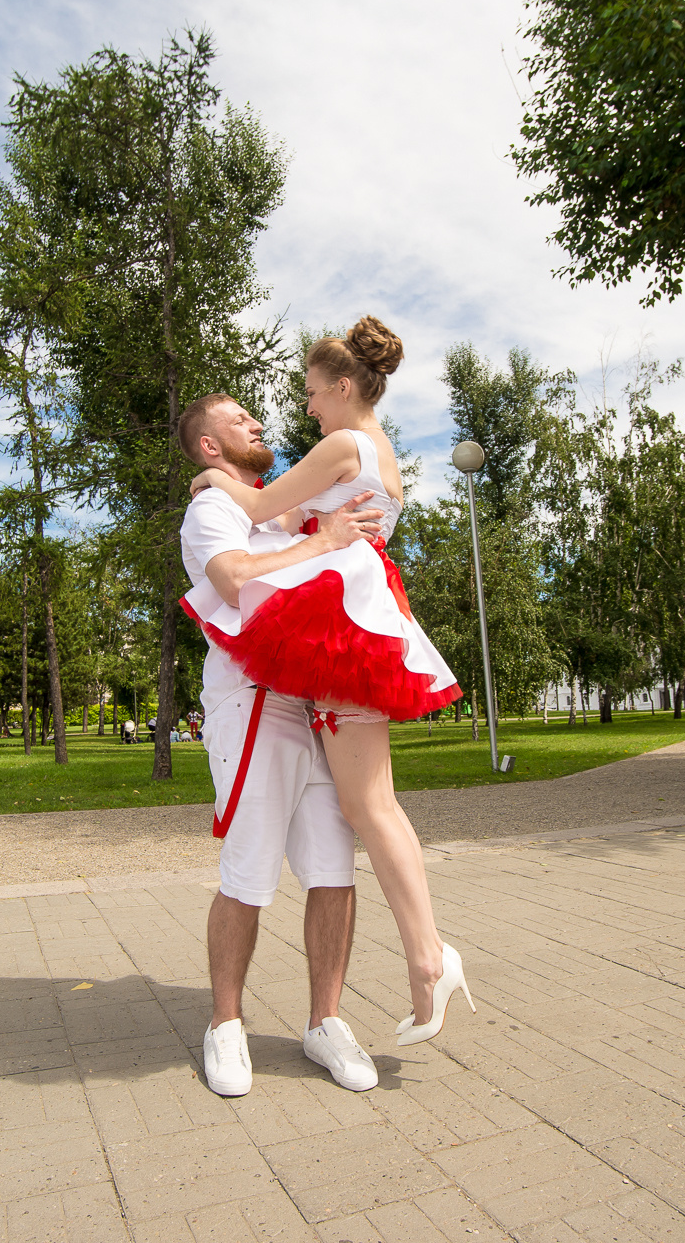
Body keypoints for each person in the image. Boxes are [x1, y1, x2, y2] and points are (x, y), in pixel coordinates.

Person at [181, 317, 473, 1046]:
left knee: (369, 806)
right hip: (364, 618)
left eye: (313, 391)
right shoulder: (383, 452)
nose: (306, 405)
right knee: (368, 805)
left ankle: (430, 959)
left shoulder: (344, 445)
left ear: (343, 387)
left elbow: (255, 507)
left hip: (343, 629)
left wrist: (216, 476)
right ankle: (425, 962)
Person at [180, 411, 390, 1097]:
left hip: (317, 702)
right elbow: (238, 579)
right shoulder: (212, 510)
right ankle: (225, 1024)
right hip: (252, 702)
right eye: (237, 419)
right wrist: (319, 542)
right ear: (209, 445)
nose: (256, 419)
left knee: (334, 870)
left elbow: (357, 499)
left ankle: (325, 1022)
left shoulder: (275, 506)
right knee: (248, 871)